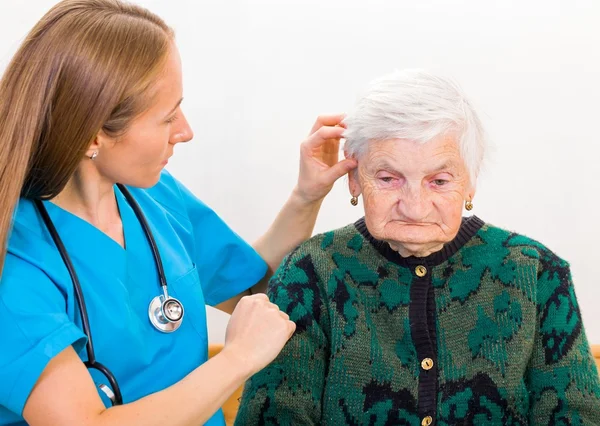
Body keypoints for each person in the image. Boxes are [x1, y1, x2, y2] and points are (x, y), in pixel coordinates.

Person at [0, 1, 357, 425]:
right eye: (168, 117)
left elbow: (252, 286)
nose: (185, 131)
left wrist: (307, 195)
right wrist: (236, 359)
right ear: (93, 134)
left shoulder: (152, 193)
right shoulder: (14, 258)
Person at [235, 69, 600, 425]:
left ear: (470, 183)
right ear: (354, 179)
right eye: (388, 178)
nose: (415, 206)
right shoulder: (310, 272)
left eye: (439, 181)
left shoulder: (537, 272)